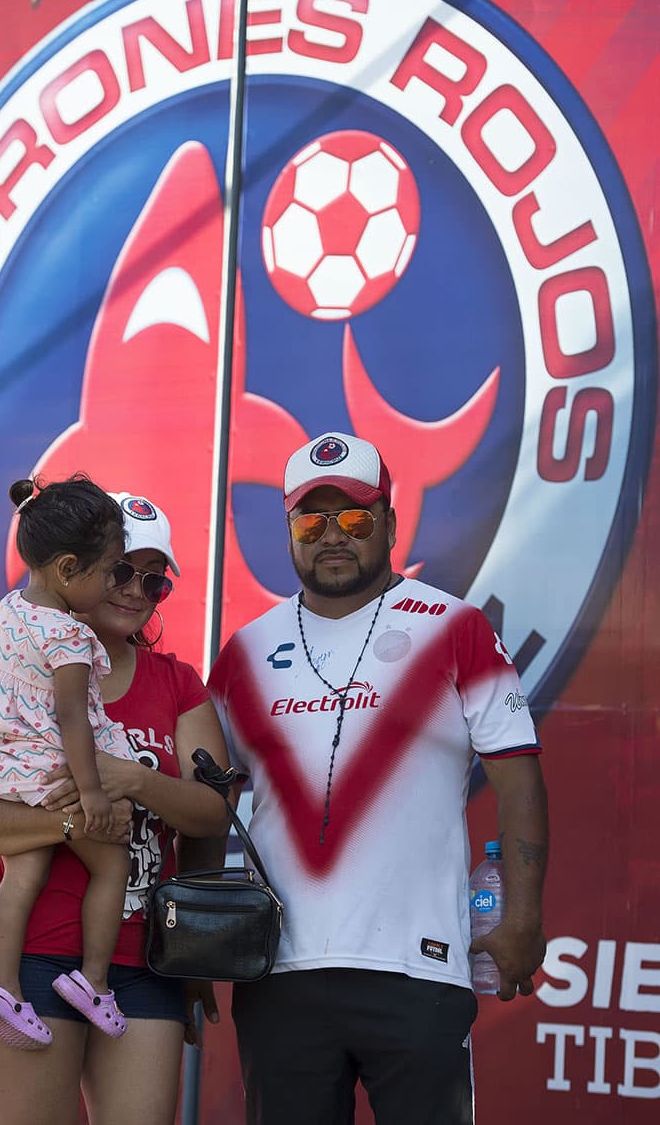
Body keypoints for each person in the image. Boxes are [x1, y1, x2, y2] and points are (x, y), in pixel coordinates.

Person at [208, 431, 549, 1125]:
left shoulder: (456, 628)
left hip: (419, 972)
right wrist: (194, 933)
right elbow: (208, 802)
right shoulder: (243, 652)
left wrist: (523, 918)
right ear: (291, 530)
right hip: (280, 977)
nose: (333, 535)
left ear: (390, 523)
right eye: (312, 519)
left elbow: (518, 781)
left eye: (356, 518)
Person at [0, 491, 230, 1125]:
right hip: (28, 957)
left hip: (145, 961)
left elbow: (212, 817)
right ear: (81, 568)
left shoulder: (176, 682)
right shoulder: (9, 657)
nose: (134, 590)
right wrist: (74, 818)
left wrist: (126, 779)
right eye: (122, 569)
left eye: (155, 580)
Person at [0, 474, 134, 1047]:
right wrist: (93, 795)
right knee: (111, 865)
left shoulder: (10, 608)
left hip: (3, 764)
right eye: (109, 572)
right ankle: (95, 980)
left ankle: (3, 988)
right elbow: (74, 720)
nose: (113, 585)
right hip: (50, 768)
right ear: (65, 569)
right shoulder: (69, 636)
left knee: (24, 870)